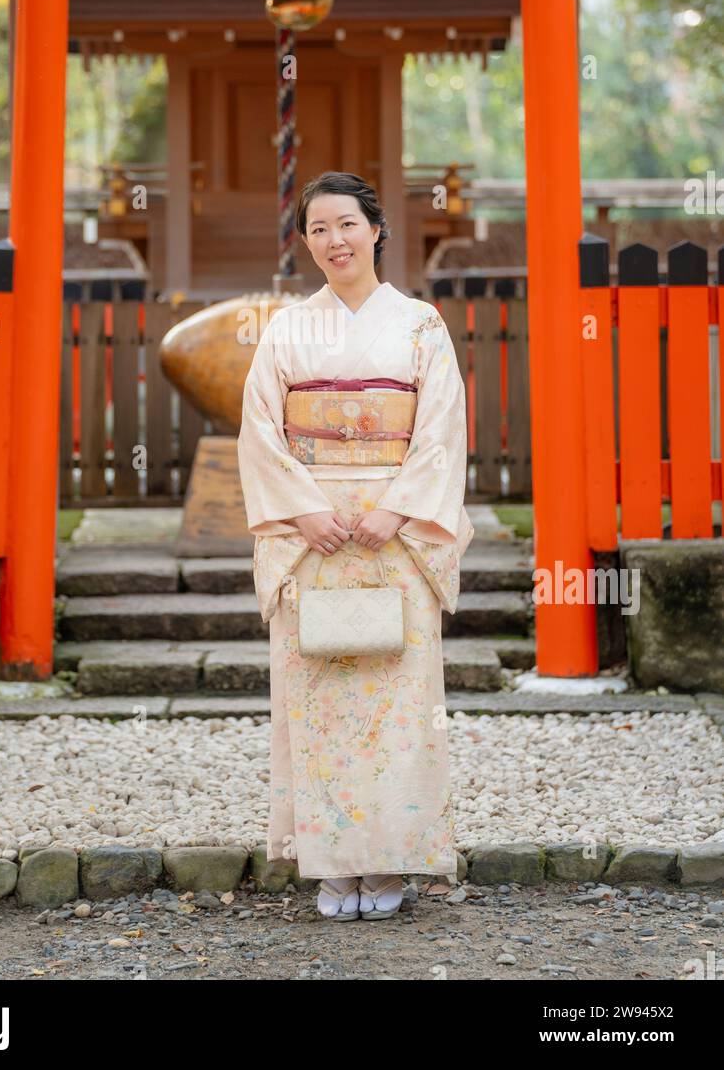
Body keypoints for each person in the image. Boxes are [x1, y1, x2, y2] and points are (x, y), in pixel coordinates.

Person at [236, 171, 474, 921]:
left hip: (395, 539)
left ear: (376, 229)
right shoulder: (286, 328)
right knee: (318, 699)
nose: (334, 240)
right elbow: (260, 431)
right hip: (314, 539)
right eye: (317, 230)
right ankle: (332, 865)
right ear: (305, 243)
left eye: (346, 224)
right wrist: (303, 511)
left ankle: (390, 859)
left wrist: (398, 510)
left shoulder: (420, 325)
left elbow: (439, 430)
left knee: (399, 704)